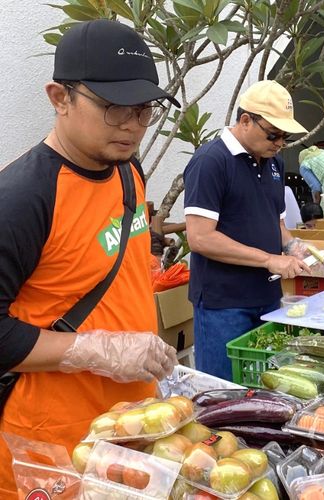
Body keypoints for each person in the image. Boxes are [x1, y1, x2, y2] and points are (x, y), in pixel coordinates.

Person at [0, 19, 179, 494]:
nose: (133, 127)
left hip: (135, 424)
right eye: (114, 108)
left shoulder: (127, 171)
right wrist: (95, 350)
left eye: (144, 110)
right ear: (60, 97)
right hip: (50, 441)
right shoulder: (21, 198)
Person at [183, 80, 311, 380]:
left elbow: (275, 220)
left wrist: (291, 245)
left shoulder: (273, 162)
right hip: (223, 303)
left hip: (266, 295)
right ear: (245, 120)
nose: (279, 142)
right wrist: (268, 259)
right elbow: (200, 238)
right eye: (273, 134)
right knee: (221, 391)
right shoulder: (211, 161)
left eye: (285, 136)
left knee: (263, 386)